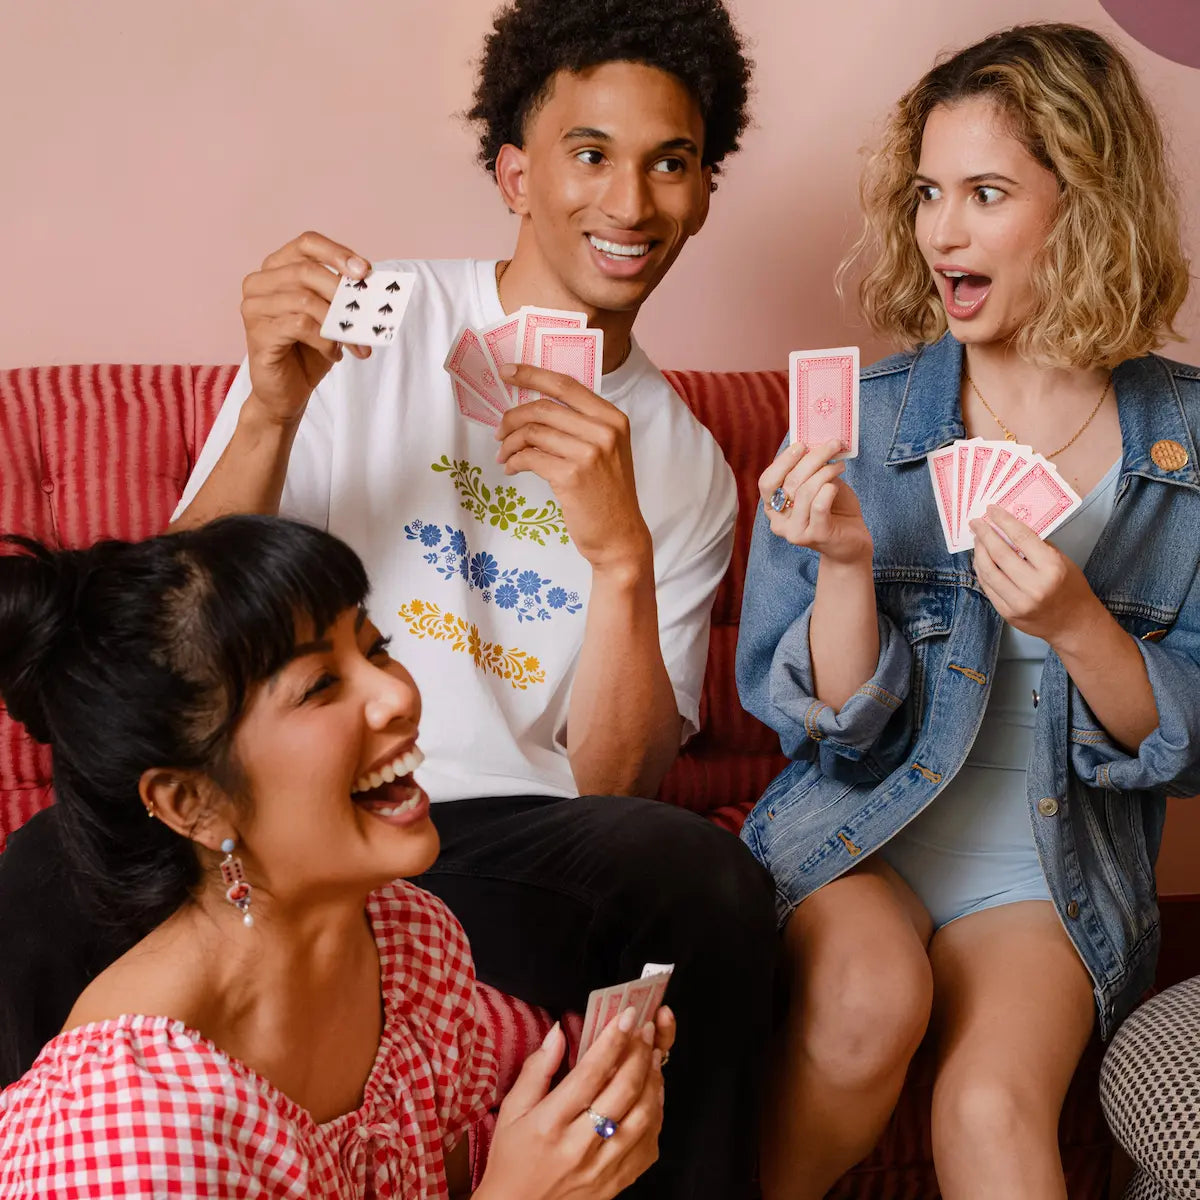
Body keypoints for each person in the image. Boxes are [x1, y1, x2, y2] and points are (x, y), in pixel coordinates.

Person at [0, 2, 777, 1196]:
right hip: (287, 814)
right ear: (516, 172)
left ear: (704, 192)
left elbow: (617, 787)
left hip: (507, 841)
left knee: (709, 880)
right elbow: (171, 636)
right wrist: (271, 407)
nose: (630, 202)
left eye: (670, 163)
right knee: (46, 863)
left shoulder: (681, 466)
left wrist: (619, 556)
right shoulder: (377, 320)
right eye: (591, 153)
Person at [736, 23, 1200, 1200]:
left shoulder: (1188, 446)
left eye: (986, 193)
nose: (943, 232)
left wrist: (1083, 625)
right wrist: (843, 564)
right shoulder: (863, 427)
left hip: (1047, 873)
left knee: (992, 1107)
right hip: (862, 837)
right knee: (864, 1005)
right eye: (929, 192)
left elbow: (1189, 753)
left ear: (1088, 205)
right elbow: (827, 737)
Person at [0, 516, 672, 1198]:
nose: (399, 695)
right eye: (320, 685)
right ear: (191, 803)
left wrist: (591, 1090)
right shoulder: (128, 1129)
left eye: (375, 651)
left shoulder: (413, 944)